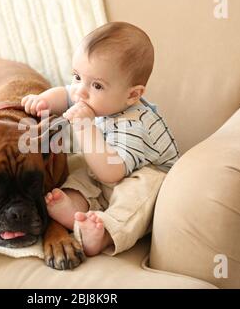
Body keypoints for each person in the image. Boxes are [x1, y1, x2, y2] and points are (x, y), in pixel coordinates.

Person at [21, 22, 179, 256]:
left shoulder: (133, 123)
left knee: (135, 198)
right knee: (80, 175)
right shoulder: (89, 95)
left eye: (97, 85)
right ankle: (72, 209)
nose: (80, 92)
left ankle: (104, 234)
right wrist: (42, 101)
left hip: (145, 174)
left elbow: (111, 173)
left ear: (132, 95)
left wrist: (85, 127)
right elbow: (65, 94)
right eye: (76, 76)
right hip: (104, 168)